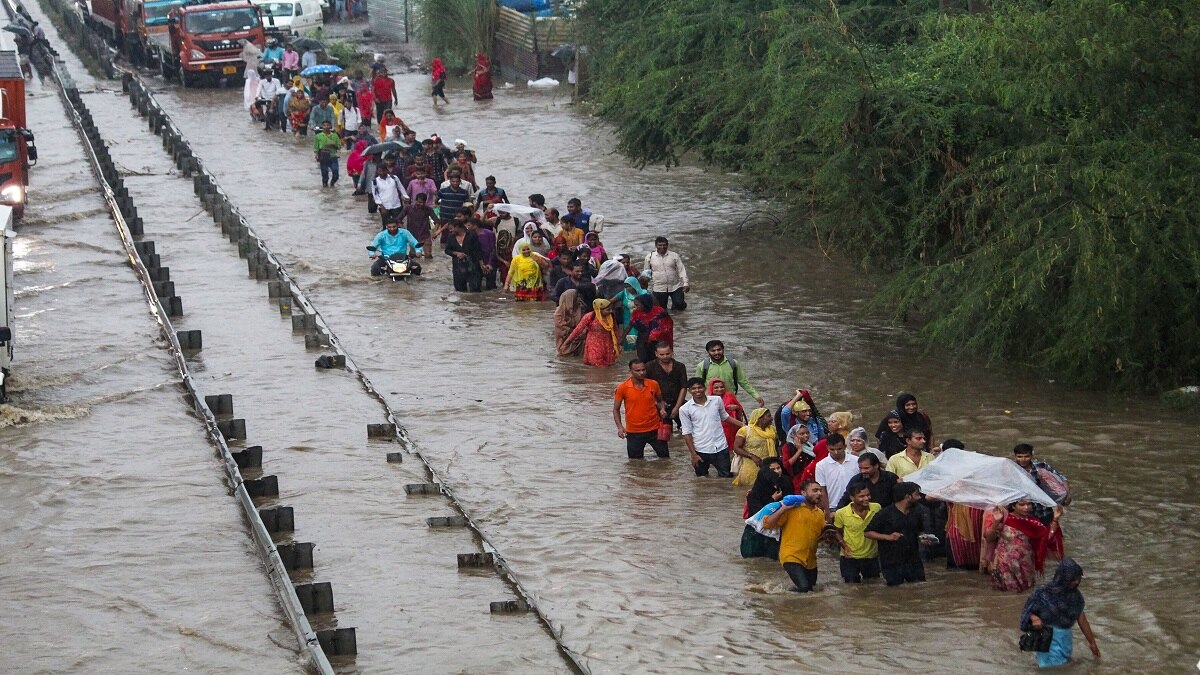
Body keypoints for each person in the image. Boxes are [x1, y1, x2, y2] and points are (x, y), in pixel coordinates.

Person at [1019, 559, 1100, 667]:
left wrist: (1092, 643)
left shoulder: (1075, 597)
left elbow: (1082, 619)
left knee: (1062, 666)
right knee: (1049, 668)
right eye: (1072, 579)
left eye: (1078, 578)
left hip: (1065, 640)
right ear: (1063, 578)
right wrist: (1033, 618)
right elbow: (1027, 612)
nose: (1076, 582)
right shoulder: (1043, 593)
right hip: (1047, 639)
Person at [762, 481, 826, 593]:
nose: (819, 493)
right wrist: (783, 508)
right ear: (803, 493)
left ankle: (785, 594)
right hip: (791, 555)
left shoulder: (820, 513)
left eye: (820, 490)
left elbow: (820, 535)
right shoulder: (791, 509)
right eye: (815, 490)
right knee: (804, 588)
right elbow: (768, 524)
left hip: (810, 560)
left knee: (812, 589)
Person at [985, 501, 1064, 592]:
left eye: (1029, 504)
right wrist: (996, 522)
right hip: (1004, 563)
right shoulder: (1004, 519)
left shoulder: (1034, 522)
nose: (1026, 507)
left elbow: (1046, 539)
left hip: (1025, 563)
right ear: (1013, 506)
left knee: (1025, 590)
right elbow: (989, 538)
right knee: (1004, 590)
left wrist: (1055, 519)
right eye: (1022, 505)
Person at [680, 376, 743, 478]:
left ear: (704, 388)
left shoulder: (717, 400)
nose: (697, 390)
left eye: (699, 387)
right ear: (689, 391)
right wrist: (693, 454)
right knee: (701, 479)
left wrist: (745, 426)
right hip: (700, 449)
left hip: (721, 447)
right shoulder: (684, 409)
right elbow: (687, 433)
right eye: (694, 388)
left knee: (726, 477)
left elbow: (725, 417)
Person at [865, 482, 926, 586]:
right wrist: (888, 537)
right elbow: (868, 533)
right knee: (895, 591)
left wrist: (923, 538)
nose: (919, 497)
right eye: (916, 494)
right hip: (891, 562)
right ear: (907, 496)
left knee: (919, 587)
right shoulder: (885, 514)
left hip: (913, 560)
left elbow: (920, 530)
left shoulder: (917, 511)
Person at [612, 359, 668, 460]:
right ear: (631, 371)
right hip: (634, 431)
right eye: (637, 371)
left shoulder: (653, 384)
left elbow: (660, 401)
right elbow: (616, 409)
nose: (641, 373)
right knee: (635, 463)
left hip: (655, 428)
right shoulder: (622, 387)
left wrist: (662, 409)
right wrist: (620, 427)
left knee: (665, 458)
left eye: (643, 370)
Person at [1011, 443, 1073, 526]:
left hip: (1043, 509)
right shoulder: (1011, 469)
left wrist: (1068, 494)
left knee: (1048, 534)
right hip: (1021, 511)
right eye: (1020, 457)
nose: (1023, 459)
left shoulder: (1041, 466)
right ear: (1015, 456)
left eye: (1026, 456)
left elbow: (1062, 478)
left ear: (1031, 455)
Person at [742, 457, 790, 559]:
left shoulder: (785, 483)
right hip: (758, 532)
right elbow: (758, 515)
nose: (777, 471)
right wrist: (772, 500)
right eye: (773, 470)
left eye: (778, 468)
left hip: (778, 530)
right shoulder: (754, 494)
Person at [833, 483, 882, 583]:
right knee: (851, 588)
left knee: (874, 586)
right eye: (861, 496)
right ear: (852, 497)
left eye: (868, 495)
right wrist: (844, 546)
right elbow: (836, 532)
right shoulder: (841, 513)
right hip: (850, 557)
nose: (866, 498)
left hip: (871, 556)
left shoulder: (876, 508)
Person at [696, 340, 765, 407]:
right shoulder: (702, 366)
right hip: (710, 402)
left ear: (723, 349)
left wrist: (756, 396)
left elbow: (743, 382)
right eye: (713, 351)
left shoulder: (733, 364)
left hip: (730, 402)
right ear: (708, 352)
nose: (716, 353)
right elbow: (698, 386)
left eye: (719, 350)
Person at [564, 299, 621, 367]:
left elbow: (616, 330)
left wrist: (619, 344)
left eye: (611, 309)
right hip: (594, 345)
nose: (610, 311)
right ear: (599, 309)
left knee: (609, 365)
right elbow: (578, 330)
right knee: (596, 366)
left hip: (608, 345)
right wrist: (568, 341)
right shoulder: (589, 316)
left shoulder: (611, 316)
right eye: (608, 310)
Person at [731, 407, 778, 487]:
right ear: (760, 418)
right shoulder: (745, 431)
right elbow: (736, 448)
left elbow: (776, 447)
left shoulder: (772, 430)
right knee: (749, 491)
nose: (771, 418)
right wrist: (751, 456)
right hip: (751, 466)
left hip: (769, 466)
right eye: (768, 416)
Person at [645, 342, 687, 425]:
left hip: (678, 402)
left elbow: (684, 387)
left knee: (686, 430)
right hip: (658, 405)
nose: (665, 357)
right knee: (663, 433)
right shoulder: (649, 366)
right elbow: (647, 388)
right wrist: (658, 404)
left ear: (672, 352)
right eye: (662, 354)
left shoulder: (680, 366)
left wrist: (677, 407)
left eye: (667, 354)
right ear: (656, 354)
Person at [814, 433, 858, 512]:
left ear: (845, 446)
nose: (836, 452)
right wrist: (827, 512)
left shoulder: (856, 461)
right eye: (832, 449)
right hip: (834, 507)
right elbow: (822, 491)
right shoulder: (821, 466)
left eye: (839, 449)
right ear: (827, 448)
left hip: (855, 505)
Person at [644, 236, 689, 310]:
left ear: (667, 245)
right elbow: (646, 273)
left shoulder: (674, 256)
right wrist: (645, 288)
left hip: (675, 286)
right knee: (661, 310)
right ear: (656, 246)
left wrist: (685, 283)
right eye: (660, 245)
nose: (662, 247)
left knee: (679, 305)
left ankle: (680, 318)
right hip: (659, 288)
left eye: (664, 245)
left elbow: (681, 270)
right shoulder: (650, 257)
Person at [628, 294, 673, 363]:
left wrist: (654, 335)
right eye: (635, 305)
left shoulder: (660, 312)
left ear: (645, 303)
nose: (636, 307)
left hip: (657, 341)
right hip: (642, 341)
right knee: (642, 361)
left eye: (637, 305)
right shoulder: (636, 313)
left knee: (658, 361)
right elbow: (630, 325)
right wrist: (621, 341)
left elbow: (667, 326)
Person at [444, 220, 483, 292]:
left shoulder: (472, 234)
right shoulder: (450, 237)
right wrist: (456, 253)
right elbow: (447, 250)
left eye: (451, 228)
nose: (450, 231)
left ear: (458, 227)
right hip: (458, 267)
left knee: (475, 290)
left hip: (473, 266)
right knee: (459, 291)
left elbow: (478, 250)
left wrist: (481, 263)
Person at [781, 423, 815, 493]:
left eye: (807, 433)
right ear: (794, 436)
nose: (806, 435)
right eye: (801, 434)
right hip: (799, 479)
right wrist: (799, 450)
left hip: (812, 477)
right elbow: (786, 464)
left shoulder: (810, 445)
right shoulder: (788, 447)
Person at [399, 193, 435, 257]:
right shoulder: (408, 208)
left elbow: (437, 221)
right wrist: (404, 230)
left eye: (423, 202)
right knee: (413, 255)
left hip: (425, 234)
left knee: (428, 255)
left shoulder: (428, 209)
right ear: (415, 200)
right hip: (412, 235)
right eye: (419, 202)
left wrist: (435, 232)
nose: (421, 204)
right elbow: (398, 220)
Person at [554, 288, 589, 356]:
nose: (578, 299)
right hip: (566, 342)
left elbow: (584, 322)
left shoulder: (580, 308)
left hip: (579, 340)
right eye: (576, 297)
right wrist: (574, 333)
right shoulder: (559, 313)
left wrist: (583, 332)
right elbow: (561, 329)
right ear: (570, 299)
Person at [468, 219, 498, 290]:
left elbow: (492, 249)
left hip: (489, 261)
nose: (468, 227)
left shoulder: (489, 233)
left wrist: (490, 263)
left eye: (469, 225)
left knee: (491, 286)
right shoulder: (469, 235)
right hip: (476, 262)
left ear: (475, 226)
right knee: (475, 285)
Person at [313, 120, 341, 187]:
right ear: (322, 127)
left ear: (330, 126)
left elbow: (339, 147)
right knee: (324, 173)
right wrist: (316, 155)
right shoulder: (318, 136)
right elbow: (316, 147)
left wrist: (334, 145)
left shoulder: (335, 136)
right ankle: (325, 188)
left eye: (327, 125)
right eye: (324, 125)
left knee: (336, 173)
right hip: (323, 156)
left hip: (333, 156)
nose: (326, 127)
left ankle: (332, 183)